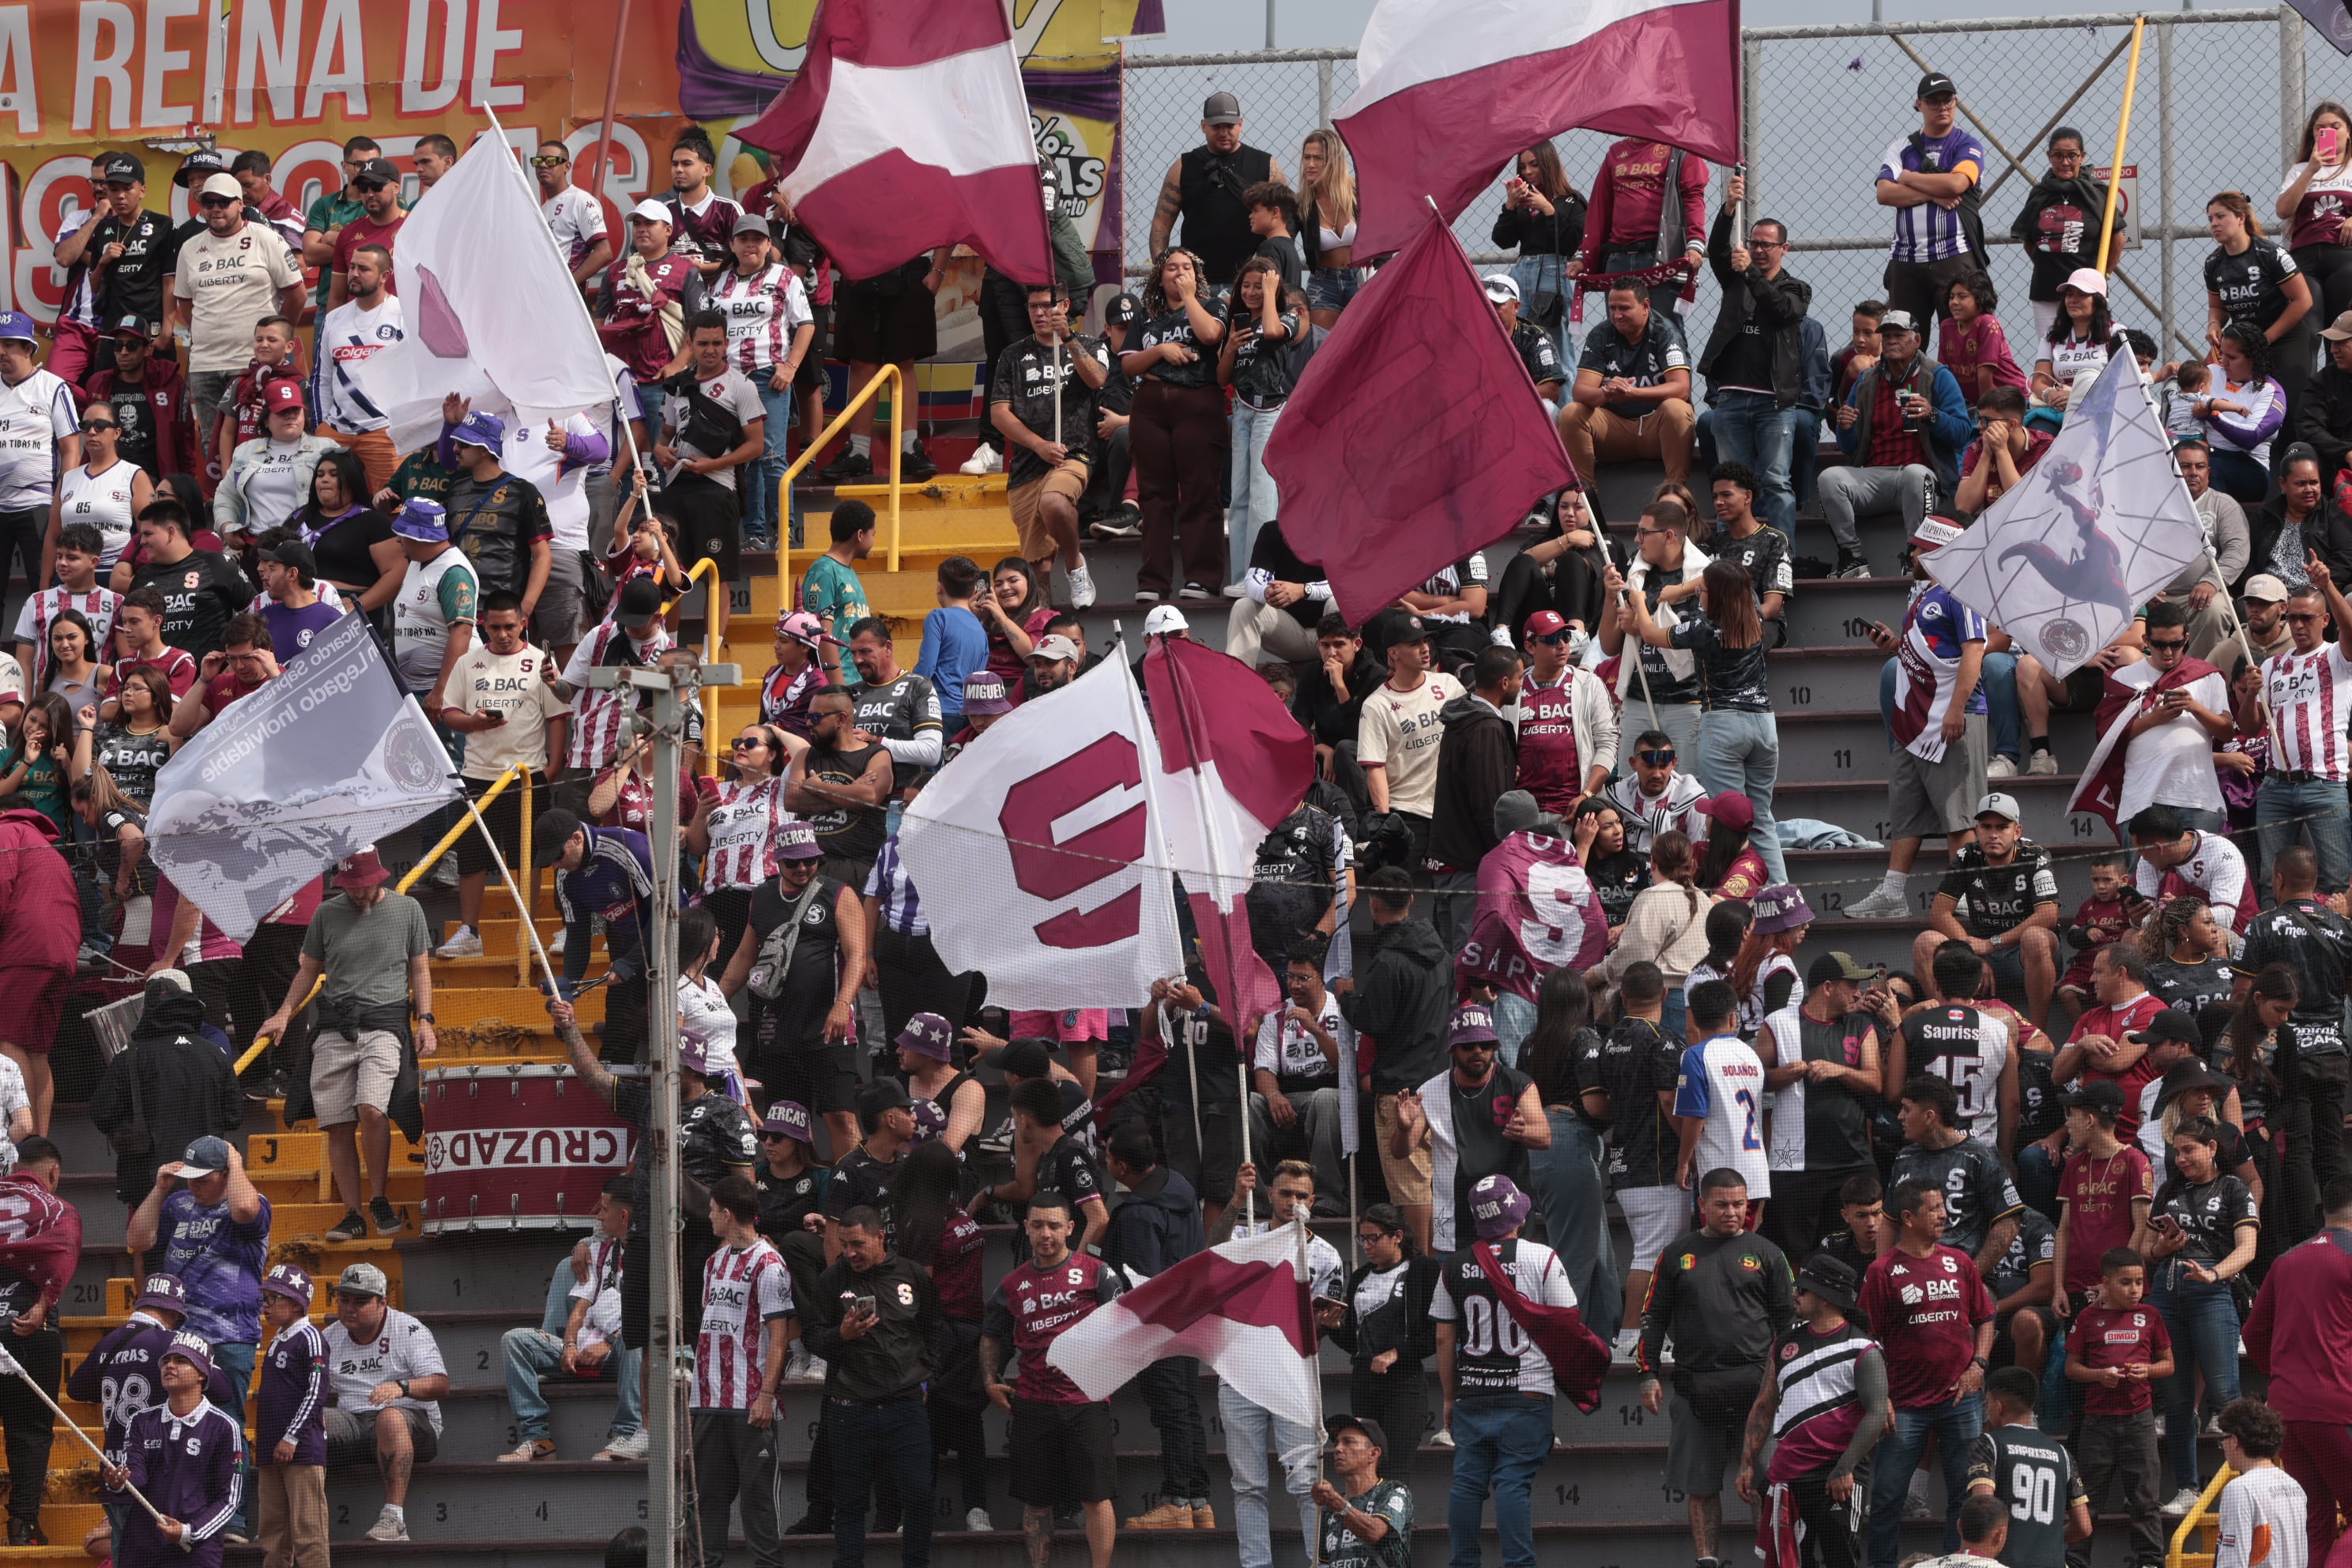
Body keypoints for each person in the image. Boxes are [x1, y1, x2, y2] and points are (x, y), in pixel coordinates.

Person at [253, 848, 434, 1244]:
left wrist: (426, 1020)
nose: (356, 894)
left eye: (362, 886)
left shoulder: (408, 910)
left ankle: (380, 1198)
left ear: (379, 878)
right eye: (349, 888)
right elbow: (308, 970)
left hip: (385, 1024)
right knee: (336, 1123)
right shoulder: (326, 914)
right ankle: (353, 1213)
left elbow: (420, 967)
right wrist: (284, 1013)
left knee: (371, 1108)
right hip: (335, 1025)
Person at [1638, 1168, 1793, 1568]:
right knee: (1702, 1487)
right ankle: (1707, 1561)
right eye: (1722, 1204)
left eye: (1739, 1204)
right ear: (1702, 1204)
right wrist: (1648, 1373)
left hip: (1760, 1389)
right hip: (1695, 1388)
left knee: (1767, 1484)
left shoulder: (1768, 1253)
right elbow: (1653, 1316)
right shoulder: (1675, 1255)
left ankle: (1771, 1561)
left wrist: (1790, 1379)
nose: (1731, 1212)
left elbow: (1790, 1323)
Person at [1613, 556, 1784, 883]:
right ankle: (1781, 895)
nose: (1699, 594)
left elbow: (1650, 634)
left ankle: (1736, 897)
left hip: (1723, 725)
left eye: (1703, 590)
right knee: (1761, 819)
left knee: (1727, 823)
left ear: (1714, 596)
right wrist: (1679, 588)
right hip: (1764, 724)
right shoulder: (1755, 615)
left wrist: (1639, 599)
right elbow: (1737, 578)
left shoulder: (1703, 629)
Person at [981, 1193, 1122, 1568]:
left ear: (1071, 1229)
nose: (1046, 1233)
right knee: (1037, 1501)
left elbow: (1124, 1328)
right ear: (1026, 1227)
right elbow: (993, 1333)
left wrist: (1090, 1359)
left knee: (1095, 1497)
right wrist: (991, 1379)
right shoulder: (1012, 1283)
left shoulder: (1098, 1272)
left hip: (1086, 1402)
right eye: (1038, 1225)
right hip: (1033, 1404)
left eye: (1055, 1226)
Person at [1860, 1178, 1998, 1565]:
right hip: (1903, 1404)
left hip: (1962, 1398)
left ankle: (1956, 1565)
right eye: (1934, 1208)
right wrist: (1879, 1396)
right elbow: (1866, 1343)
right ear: (1908, 1217)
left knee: (1964, 1492)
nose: (1944, 1214)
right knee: (1888, 1495)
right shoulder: (1882, 1271)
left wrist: (1979, 1364)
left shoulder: (1961, 1262)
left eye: (1943, 1207)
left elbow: (1986, 1318)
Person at [721, 820, 869, 1158]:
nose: (803, 868)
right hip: (778, 1028)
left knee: (840, 1116)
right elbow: (745, 955)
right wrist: (715, 998)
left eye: (810, 860)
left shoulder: (839, 893)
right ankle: (798, 1197)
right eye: (794, 862)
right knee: (788, 1121)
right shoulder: (762, 897)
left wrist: (843, 1004)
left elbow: (858, 955)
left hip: (829, 1027)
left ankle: (853, 1194)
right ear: (778, 861)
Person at [1738, 1253, 1886, 1568]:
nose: (1795, 1294)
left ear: (1827, 1297)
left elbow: (1876, 1415)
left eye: (1803, 1290)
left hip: (1838, 1475)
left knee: (1842, 1560)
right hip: (1786, 1477)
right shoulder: (1783, 1343)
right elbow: (1764, 1405)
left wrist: (1845, 1468)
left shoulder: (1864, 1348)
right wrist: (1747, 1463)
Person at [2143, 1115, 2258, 1514]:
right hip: (2166, 1292)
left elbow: (2248, 1249)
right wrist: (2161, 1249)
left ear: (2212, 1149)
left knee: (2227, 1396)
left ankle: (2249, 1482)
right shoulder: (2168, 1189)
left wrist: (2213, 1273)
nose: (2181, 1159)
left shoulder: (2233, 1187)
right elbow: (2144, 1249)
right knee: (2175, 1401)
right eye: (2176, 1151)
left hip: (2211, 1293)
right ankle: (2189, 1487)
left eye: (2189, 1150)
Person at [1336, 868, 1453, 1254]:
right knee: (1435, 1181)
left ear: (1372, 904)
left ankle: (1425, 1267)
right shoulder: (1441, 954)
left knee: (1412, 1186)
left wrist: (1347, 998)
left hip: (1402, 1092)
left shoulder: (1389, 961)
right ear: (1411, 901)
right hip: (1440, 1085)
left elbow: (1375, 1020)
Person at [2244, 1174, 2352, 1559]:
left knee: (2315, 1521)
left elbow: (2253, 1334)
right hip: (2339, 1406)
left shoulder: (2286, 1259)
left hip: (2286, 1410)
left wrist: (2282, 1376)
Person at [684, 1174, 790, 1568]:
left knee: (759, 1502)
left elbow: (779, 1336)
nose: (709, 1216)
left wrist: (766, 1394)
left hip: (750, 1404)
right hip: (708, 1401)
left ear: (727, 1214)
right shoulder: (713, 1263)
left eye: (712, 1210)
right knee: (706, 1500)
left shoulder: (771, 1264)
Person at [1702, 173, 1812, 539]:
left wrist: (1749, 271)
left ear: (1785, 248)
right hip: (1731, 398)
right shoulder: (1735, 280)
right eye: (1755, 243)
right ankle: (1729, 556)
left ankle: (1782, 557)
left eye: (1768, 245)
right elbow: (1717, 248)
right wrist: (1729, 208)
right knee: (1728, 486)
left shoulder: (1796, 288)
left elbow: (1781, 309)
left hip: (1773, 403)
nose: (1760, 249)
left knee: (1776, 482)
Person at [499, 1177, 639, 1464]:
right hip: (585, 1351)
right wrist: (570, 1345)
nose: (598, 1216)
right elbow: (580, 1309)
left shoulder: (655, 1256)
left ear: (624, 1216)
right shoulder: (601, 1251)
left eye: (604, 1209)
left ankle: (627, 1434)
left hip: (625, 1355)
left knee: (637, 1340)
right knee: (513, 1340)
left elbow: (653, 1317)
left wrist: (611, 1343)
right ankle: (537, 1438)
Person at [1824, 311, 1972, 579]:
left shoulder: (1937, 376)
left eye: (1899, 335)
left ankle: (1913, 555)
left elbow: (1962, 434)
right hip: (1875, 476)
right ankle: (1853, 557)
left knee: (1915, 473)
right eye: (1887, 335)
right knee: (1829, 477)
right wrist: (1845, 427)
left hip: (1922, 478)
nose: (1892, 340)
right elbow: (1849, 448)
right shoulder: (1867, 381)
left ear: (1917, 340)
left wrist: (1933, 415)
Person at [1761, 953, 1886, 1262]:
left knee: (1857, 1250)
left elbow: (1875, 1082)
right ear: (1828, 987)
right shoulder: (1778, 1023)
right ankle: (1799, 1311)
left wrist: (1839, 1070)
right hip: (1794, 1165)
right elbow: (1756, 1079)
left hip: (1851, 1159)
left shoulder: (1860, 1026)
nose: (1859, 992)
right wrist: (1783, 1075)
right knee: (1794, 1254)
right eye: (1852, 984)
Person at [989, 283, 1104, 609]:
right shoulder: (1012, 355)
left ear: (1065, 306)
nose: (1040, 313)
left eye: (1046, 306)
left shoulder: (1090, 344)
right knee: (1037, 568)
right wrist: (1039, 446)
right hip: (1028, 463)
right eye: (1034, 307)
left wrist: (1067, 338)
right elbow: (999, 414)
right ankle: (1045, 631)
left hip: (1073, 454)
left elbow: (1097, 379)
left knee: (1054, 502)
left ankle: (1074, 562)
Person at [1124, 246, 1228, 603]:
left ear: (1196, 276)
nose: (1179, 273)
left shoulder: (1213, 306)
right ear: (1159, 276)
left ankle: (1202, 577)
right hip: (1151, 406)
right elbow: (1128, 366)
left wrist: (1189, 298)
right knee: (1154, 495)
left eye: (1187, 267)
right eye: (1171, 268)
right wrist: (1161, 351)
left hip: (1198, 402)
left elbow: (1211, 336)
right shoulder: (1146, 315)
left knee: (1200, 491)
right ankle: (1153, 581)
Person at [318, 1262, 446, 1543]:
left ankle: (394, 1519)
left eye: (361, 1301)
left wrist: (402, 1387)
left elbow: (440, 1384)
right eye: (344, 1299)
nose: (350, 1308)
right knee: (308, 1423)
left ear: (382, 1303)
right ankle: (301, 1519)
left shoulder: (408, 1329)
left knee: (389, 1417)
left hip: (412, 1425)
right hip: (355, 1423)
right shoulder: (328, 1337)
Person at [2060, 1247, 2172, 1568]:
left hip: (2139, 1419)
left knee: (2145, 1499)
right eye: (2126, 1282)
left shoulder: (2151, 1316)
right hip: (2097, 1422)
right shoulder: (2088, 1317)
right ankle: (2076, 1561)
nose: (2135, 1289)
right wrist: (2099, 1376)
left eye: (2139, 1282)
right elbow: (2071, 1368)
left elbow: (2169, 1364)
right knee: (2087, 1498)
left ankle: (2150, 1561)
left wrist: (2148, 1370)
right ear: (2105, 1283)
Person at [100, 1329, 245, 1568]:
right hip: (144, 1545)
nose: (170, 1365)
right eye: (166, 1360)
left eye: (181, 1360)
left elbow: (229, 1499)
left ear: (202, 1374)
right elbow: (137, 1474)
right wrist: (120, 1481)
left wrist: (189, 1532)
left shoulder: (223, 1427)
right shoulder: (141, 1421)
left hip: (196, 1550)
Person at [2255, 555, 2352, 892]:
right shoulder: (2271, 666)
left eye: (2306, 618)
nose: (2298, 625)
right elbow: (2251, 726)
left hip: (2324, 784)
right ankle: (2275, 945)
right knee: (2271, 881)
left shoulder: (2337, 656)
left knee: (2337, 878)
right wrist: (2246, 696)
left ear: (2324, 620)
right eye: (2292, 617)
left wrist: (2327, 585)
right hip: (2276, 786)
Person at [1559, 279, 1695, 490]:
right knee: (1571, 413)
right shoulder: (1601, 334)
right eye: (1612, 308)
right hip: (1614, 431)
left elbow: (1681, 388)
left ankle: (1674, 494)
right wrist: (1607, 392)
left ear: (1646, 306)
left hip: (1655, 430)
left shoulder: (1665, 332)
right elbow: (1581, 391)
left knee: (1677, 409)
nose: (1617, 315)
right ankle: (1585, 498)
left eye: (1624, 308)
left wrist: (1634, 393)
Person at [1876, 72, 1988, 323]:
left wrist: (1907, 178)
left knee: (1961, 335)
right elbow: (1884, 193)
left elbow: (1956, 183)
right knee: (1904, 340)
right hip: (1906, 259)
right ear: (1920, 105)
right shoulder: (1901, 147)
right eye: (1934, 102)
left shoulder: (1967, 145)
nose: (1942, 107)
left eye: (1948, 100)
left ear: (1956, 102)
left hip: (1954, 255)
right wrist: (1932, 194)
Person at [1890, 1074, 2024, 1276]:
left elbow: (2010, 1222)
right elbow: (1889, 1221)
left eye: (1907, 1109)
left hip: (1961, 1274)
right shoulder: (1904, 1158)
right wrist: (1883, 1271)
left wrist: (1973, 1274)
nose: (1900, 1116)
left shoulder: (1979, 1157)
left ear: (1929, 1117)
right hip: (1911, 1274)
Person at [1148, 92, 1285, 287]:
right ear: (1204, 126)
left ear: (1241, 124)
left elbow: (1285, 220)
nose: (1224, 133)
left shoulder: (1265, 165)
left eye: (1230, 126)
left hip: (1249, 282)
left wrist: (1271, 264)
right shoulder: (1183, 167)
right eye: (1216, 127)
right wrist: (1163, 271)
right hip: (1196, 282)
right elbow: (1161, 224)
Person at [1966, 1366, 2091, 1568]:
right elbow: (2084, 1527)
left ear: (1999, 1406)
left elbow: (1983, 1510)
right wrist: (2049, 1538)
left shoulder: (1989, 1444)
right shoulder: (2062, 1453)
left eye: (1987, 1403)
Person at [2207, 190, 2317, 418]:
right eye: (2210, 219)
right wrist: (2214, 323)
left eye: (2220, 216)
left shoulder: (2270, 254)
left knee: (2289, 408)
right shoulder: (2213, 263)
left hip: (2284, 339)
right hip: (2243, 344)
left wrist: (2266, 339)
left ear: (2241, 218)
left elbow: (2303, 300)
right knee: (2240, 406)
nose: (2214, 224)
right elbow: (2218, 307)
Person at [0, 312, 77, 633]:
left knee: (42, 589)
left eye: (8, 344)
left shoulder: (52, 386)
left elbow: (71, 448)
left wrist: (64, 498)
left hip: (39, 503)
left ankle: (47, 663)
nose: (2, 352)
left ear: (29, 349)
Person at [312, 243, 404, 494]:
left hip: (384, 431)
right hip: (336, 432)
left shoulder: (403, 314)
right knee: (334, 506)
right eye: (352, 267)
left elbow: (417, 378)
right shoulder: (333, 318)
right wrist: (321, 426)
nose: (354, 273)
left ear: (385, 276)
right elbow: (322, 377)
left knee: (390, 509)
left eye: (363, 268)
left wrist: (407, 428)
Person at [252, 1265, 327, 1568]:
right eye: (265, 1300)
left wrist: (292, 1436)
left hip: (300, 1450)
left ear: (297, 1303)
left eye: (273, 1299)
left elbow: (316, 1392)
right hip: (273, 1448)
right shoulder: (278, 1339)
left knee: (309, 1531)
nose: (266, 1307)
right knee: (272, 1534)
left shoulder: (310, 1338)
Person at [2212, 1399, 2310, 1568]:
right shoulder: (2295, 1486)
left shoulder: (2240, 1489)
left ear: (2235, 1441)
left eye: (2223, 1440)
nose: (2223, 1447)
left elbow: (2233, 1562)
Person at [1312, 1414, 1412, 1568]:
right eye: (1337, 1443)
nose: (1338, 1449)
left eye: (1348, 1442)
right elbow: (1324, 1562)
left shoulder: (1393, 1491)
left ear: (1373, 1454)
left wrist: (1335, 1502)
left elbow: (1375, 1532)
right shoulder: (1328, 1508)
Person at [322, 157, 404, 313]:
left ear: (396, 188)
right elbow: (337, 296)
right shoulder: (348, 233)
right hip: (358, 327)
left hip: (403, 327)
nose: (370, 193)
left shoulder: (415, 227)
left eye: (377, 186)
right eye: (364, 188)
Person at [536, 141, 613, 287]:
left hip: (567, 296)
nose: (543, 165)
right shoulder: (542, 209)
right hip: (543, 293)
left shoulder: (580, 200)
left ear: (567, 166)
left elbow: (604, 252)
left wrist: (568, 285)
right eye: (538, 161)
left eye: (551, 161)